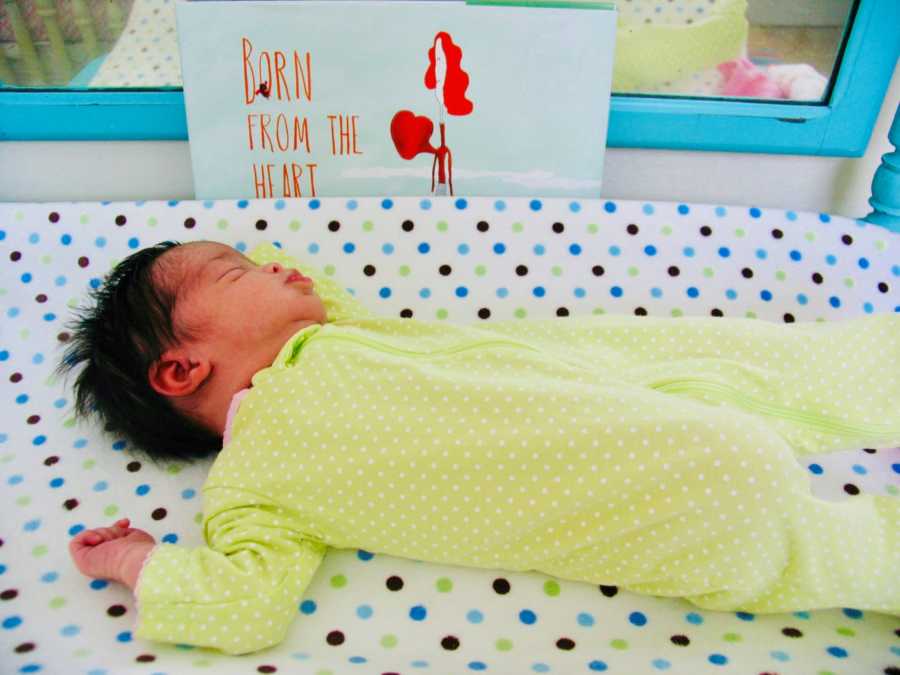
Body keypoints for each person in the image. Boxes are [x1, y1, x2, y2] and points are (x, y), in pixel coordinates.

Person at [61, 239, 900, 655]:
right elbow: (246, 604)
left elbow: (301, 271)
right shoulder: (251, 487)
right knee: (832, 548)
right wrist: (136, 562)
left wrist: (259, 277)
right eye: (240, 272)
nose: (278, 269)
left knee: (788, 368)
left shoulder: (332, 337)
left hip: (626, 395)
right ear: (181, 368)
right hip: (655, 502)